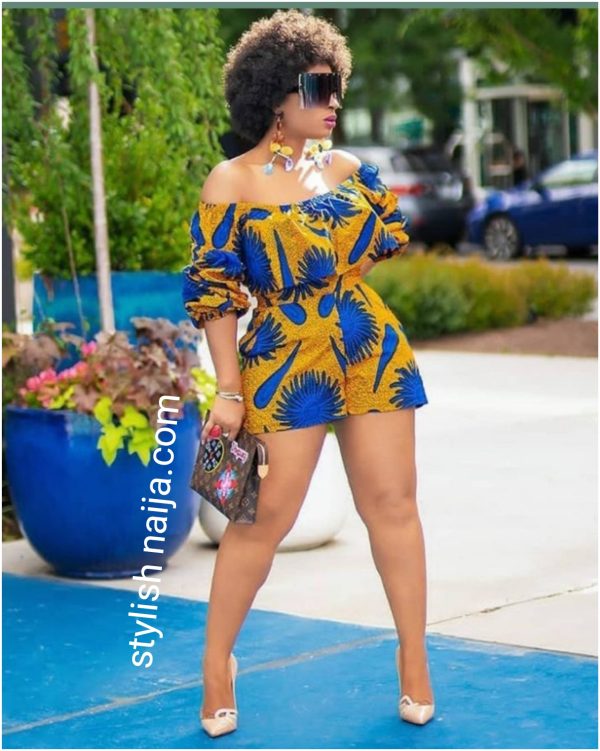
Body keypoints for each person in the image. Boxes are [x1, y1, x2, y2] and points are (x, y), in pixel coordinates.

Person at [182, 8, 434, 737]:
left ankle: (414, 657)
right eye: (318, 89)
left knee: (394, 506)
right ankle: (217, 664)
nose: (333, 103)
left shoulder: (348, 170)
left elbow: (379, 244)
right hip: (282, 359)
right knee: (261, 519)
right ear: (274, 95)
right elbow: (214, 294)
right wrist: (228, 391)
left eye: (336, 87)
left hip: (369, 350)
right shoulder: (231, 180)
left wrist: (334, 283)